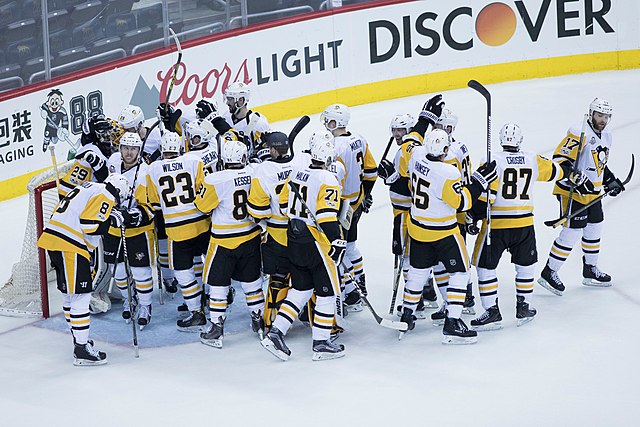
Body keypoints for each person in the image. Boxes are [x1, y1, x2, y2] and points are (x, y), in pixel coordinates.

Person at [394, 94, 498, 343]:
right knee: (461, 273)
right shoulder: (447, 171)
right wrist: (481, 182)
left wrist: (424, 118)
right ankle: (452, 321)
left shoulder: (415, 155)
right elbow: (462, 202)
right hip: (443, 233)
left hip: (417, 228)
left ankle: (407, 314)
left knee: (418, 271)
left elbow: (410, 140)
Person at [468, 123, 569, 330]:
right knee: (525, 266)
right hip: (524, 224)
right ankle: (524, 306)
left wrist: (472, 216)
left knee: (485, 267)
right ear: (520, 141)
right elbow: (557, 171)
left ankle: (492, 311)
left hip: (496, 224)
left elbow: (486, 197)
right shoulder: (532, 158)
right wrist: (571, 170)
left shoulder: (491, 159)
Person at [261, 131, 346, 361]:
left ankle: (275, 333)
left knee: (301, 290)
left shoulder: (298, 172)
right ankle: (321, 343)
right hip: (315, 243)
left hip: (294, 238)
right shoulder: (328, 179)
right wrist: (337, 240)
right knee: (327, 293)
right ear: (328, 158)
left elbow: (284, 204)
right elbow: (327, 216)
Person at [37, 173, 131, 365]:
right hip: (70, 245)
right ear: (119, 191)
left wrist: (110, 216)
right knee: (81, 296)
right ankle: (81, 349)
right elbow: (89, 225)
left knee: (70, 296)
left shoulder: (88, 187)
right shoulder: (107, 194)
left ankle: (79, 340)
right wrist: (114, 219)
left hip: (54, 241)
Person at [538, 98, 625, 295]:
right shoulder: (579, 132)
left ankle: (590, 270)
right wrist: (577, 178)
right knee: (573, 232)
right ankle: (549, 272)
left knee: (595, 227)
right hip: (573, 191)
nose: (602, 120)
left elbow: (598, 164)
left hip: (592, 192)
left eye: (605, 116)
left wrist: (609, 179)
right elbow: (560, 160)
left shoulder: (607, 134)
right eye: (599, 115)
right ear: (591, 113)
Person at [196, 136, 264, 348]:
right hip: (251, 237)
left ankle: (216, 329)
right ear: (243, 157)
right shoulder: (255, 172)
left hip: (223, 242)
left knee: (218, 286)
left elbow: (202, 207)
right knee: (253, 283)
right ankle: (259, 321)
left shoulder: (215, 179)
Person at [147, 131, 210, 331]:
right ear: (182, 148)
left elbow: (155, 203)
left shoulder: (153, 169)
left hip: (177, 230)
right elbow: (204, 192)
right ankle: (215, 299)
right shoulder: (194, 161)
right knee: (207, 263)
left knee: (183, 273)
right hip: (202, 224)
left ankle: (196, 311)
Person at [378, 113, 437, 319]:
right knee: (418, 255)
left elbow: (408, 185)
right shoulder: (409, 150)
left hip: (405, 214)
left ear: (410, 130)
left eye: (401, 130)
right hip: (410, 213)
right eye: (394, 130)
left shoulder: (408, 152)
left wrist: (391, 178)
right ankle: (427, 291)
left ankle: (416, 300)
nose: (396, 134)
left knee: (407, 258)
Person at [321, 103, 377, 307]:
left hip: (341, 205)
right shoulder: (359, 139)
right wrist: (367, 194)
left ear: (337, 122)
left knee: (338, 248)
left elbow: (330, 178)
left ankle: (348, 290)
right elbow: (371, 171)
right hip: (357, 201)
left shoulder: (335, 146)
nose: (327, 123)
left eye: (329, 120)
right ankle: (359, 285)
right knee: (351, 245)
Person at [104, 132, 156, 328]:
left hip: (137, 230)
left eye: (133, 148)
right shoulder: (113, 162)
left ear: (139, 150)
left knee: (140, 272)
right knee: (117, 271)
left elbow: (150, 208)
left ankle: (145, 305)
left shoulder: (146, 172)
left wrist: (130, 215)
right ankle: (129, 298)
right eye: (125, 147)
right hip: (113, 228)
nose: (128, 152)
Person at [247, 131, 296, 330]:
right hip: (302, 233)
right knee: (304, 277)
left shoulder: (263, 170)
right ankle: (308, 316)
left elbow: (258, 210)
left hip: (277, 234)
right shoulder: (300, 162)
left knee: (278, 278)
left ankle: (273, 321)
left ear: (272, 149)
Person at [58, 115, 115, 199]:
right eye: (103, 133)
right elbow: (66, 190)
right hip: (79, 203)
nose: (108, 136)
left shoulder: (104, 150)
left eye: (108, 132)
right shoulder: (88, 155)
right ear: (94, 136)